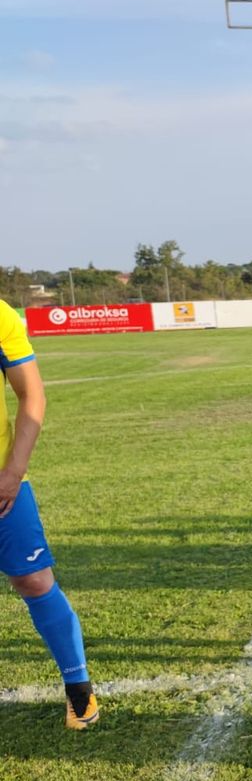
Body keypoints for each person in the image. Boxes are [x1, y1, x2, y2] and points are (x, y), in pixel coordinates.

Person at [1, 299, 98, 729]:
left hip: (2, 483)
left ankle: (79, 690)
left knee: (34, 579)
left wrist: (13, 471)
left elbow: (31, 393)